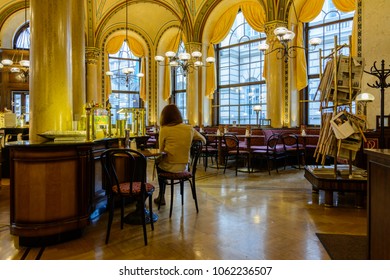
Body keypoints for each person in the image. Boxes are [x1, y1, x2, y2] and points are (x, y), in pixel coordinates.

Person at [154, 104, 206, 205]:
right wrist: (193, 142)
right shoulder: (189, 129)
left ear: (164, 117)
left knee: (158, 163)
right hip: (184, 167)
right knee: (161, 163)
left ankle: (161, 195)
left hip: (169, 167)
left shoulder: (164, 129)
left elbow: (161, 150)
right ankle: (163, 189)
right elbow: (203, 140)